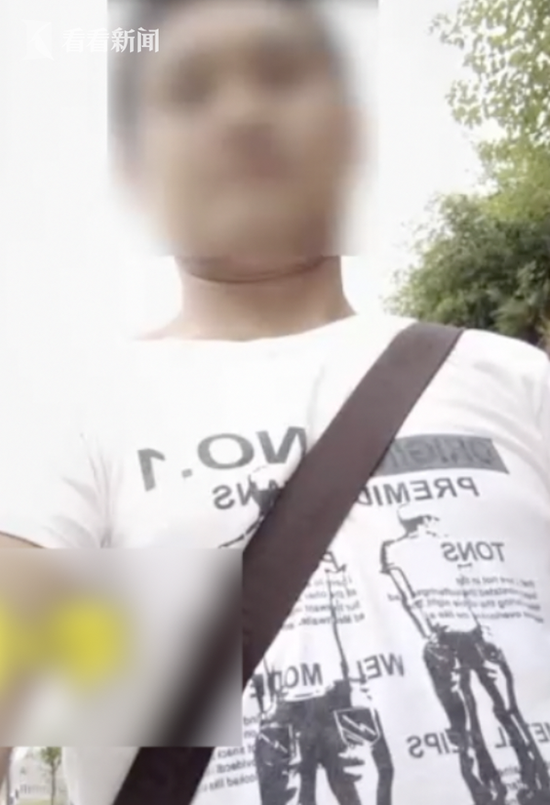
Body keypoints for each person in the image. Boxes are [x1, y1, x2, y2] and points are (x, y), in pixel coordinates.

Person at [0, 0, 549, 804]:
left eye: (284, 75)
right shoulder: (71, 412)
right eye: (189, 91)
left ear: (353, 135)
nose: (242, 112)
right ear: (136, 173)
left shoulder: (513, 377)